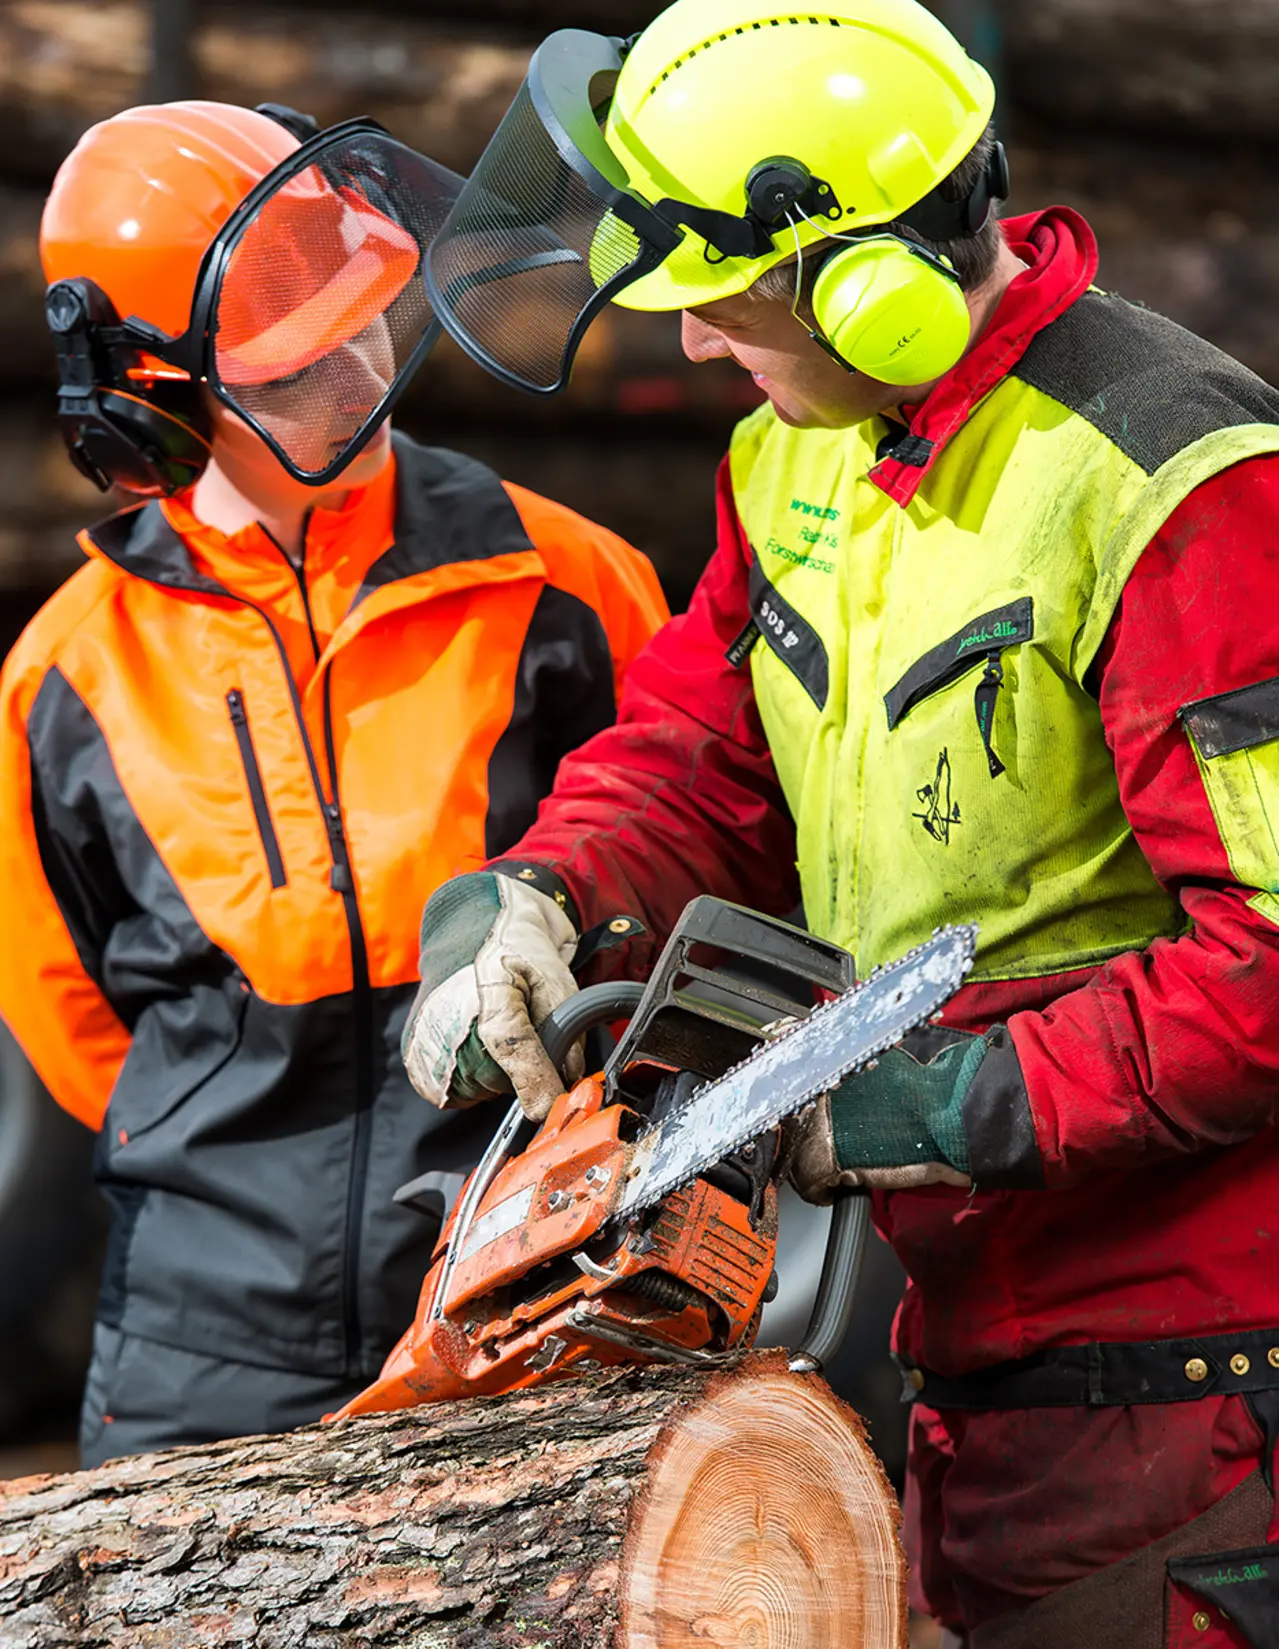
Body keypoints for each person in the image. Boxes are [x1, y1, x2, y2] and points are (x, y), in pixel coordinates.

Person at [397, 3, 1279, 1644]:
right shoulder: (791, 458)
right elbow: (694, 750)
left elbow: (1266, 968)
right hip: (964, 1326)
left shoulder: (1177, 483)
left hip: (1186, 1362)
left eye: (720, 304)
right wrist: (536, 895)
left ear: (860, 283)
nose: (695, 347)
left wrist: (922, 1106)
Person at [0, 99, 668, 1467]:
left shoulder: (570, 586)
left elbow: (669, 870)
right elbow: (69, 1022)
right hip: (206, 1332)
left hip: (524, 1273)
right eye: (297, 363)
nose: (360, 371)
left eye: (365, 320)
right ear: (155, 396)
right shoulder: (66, 674)